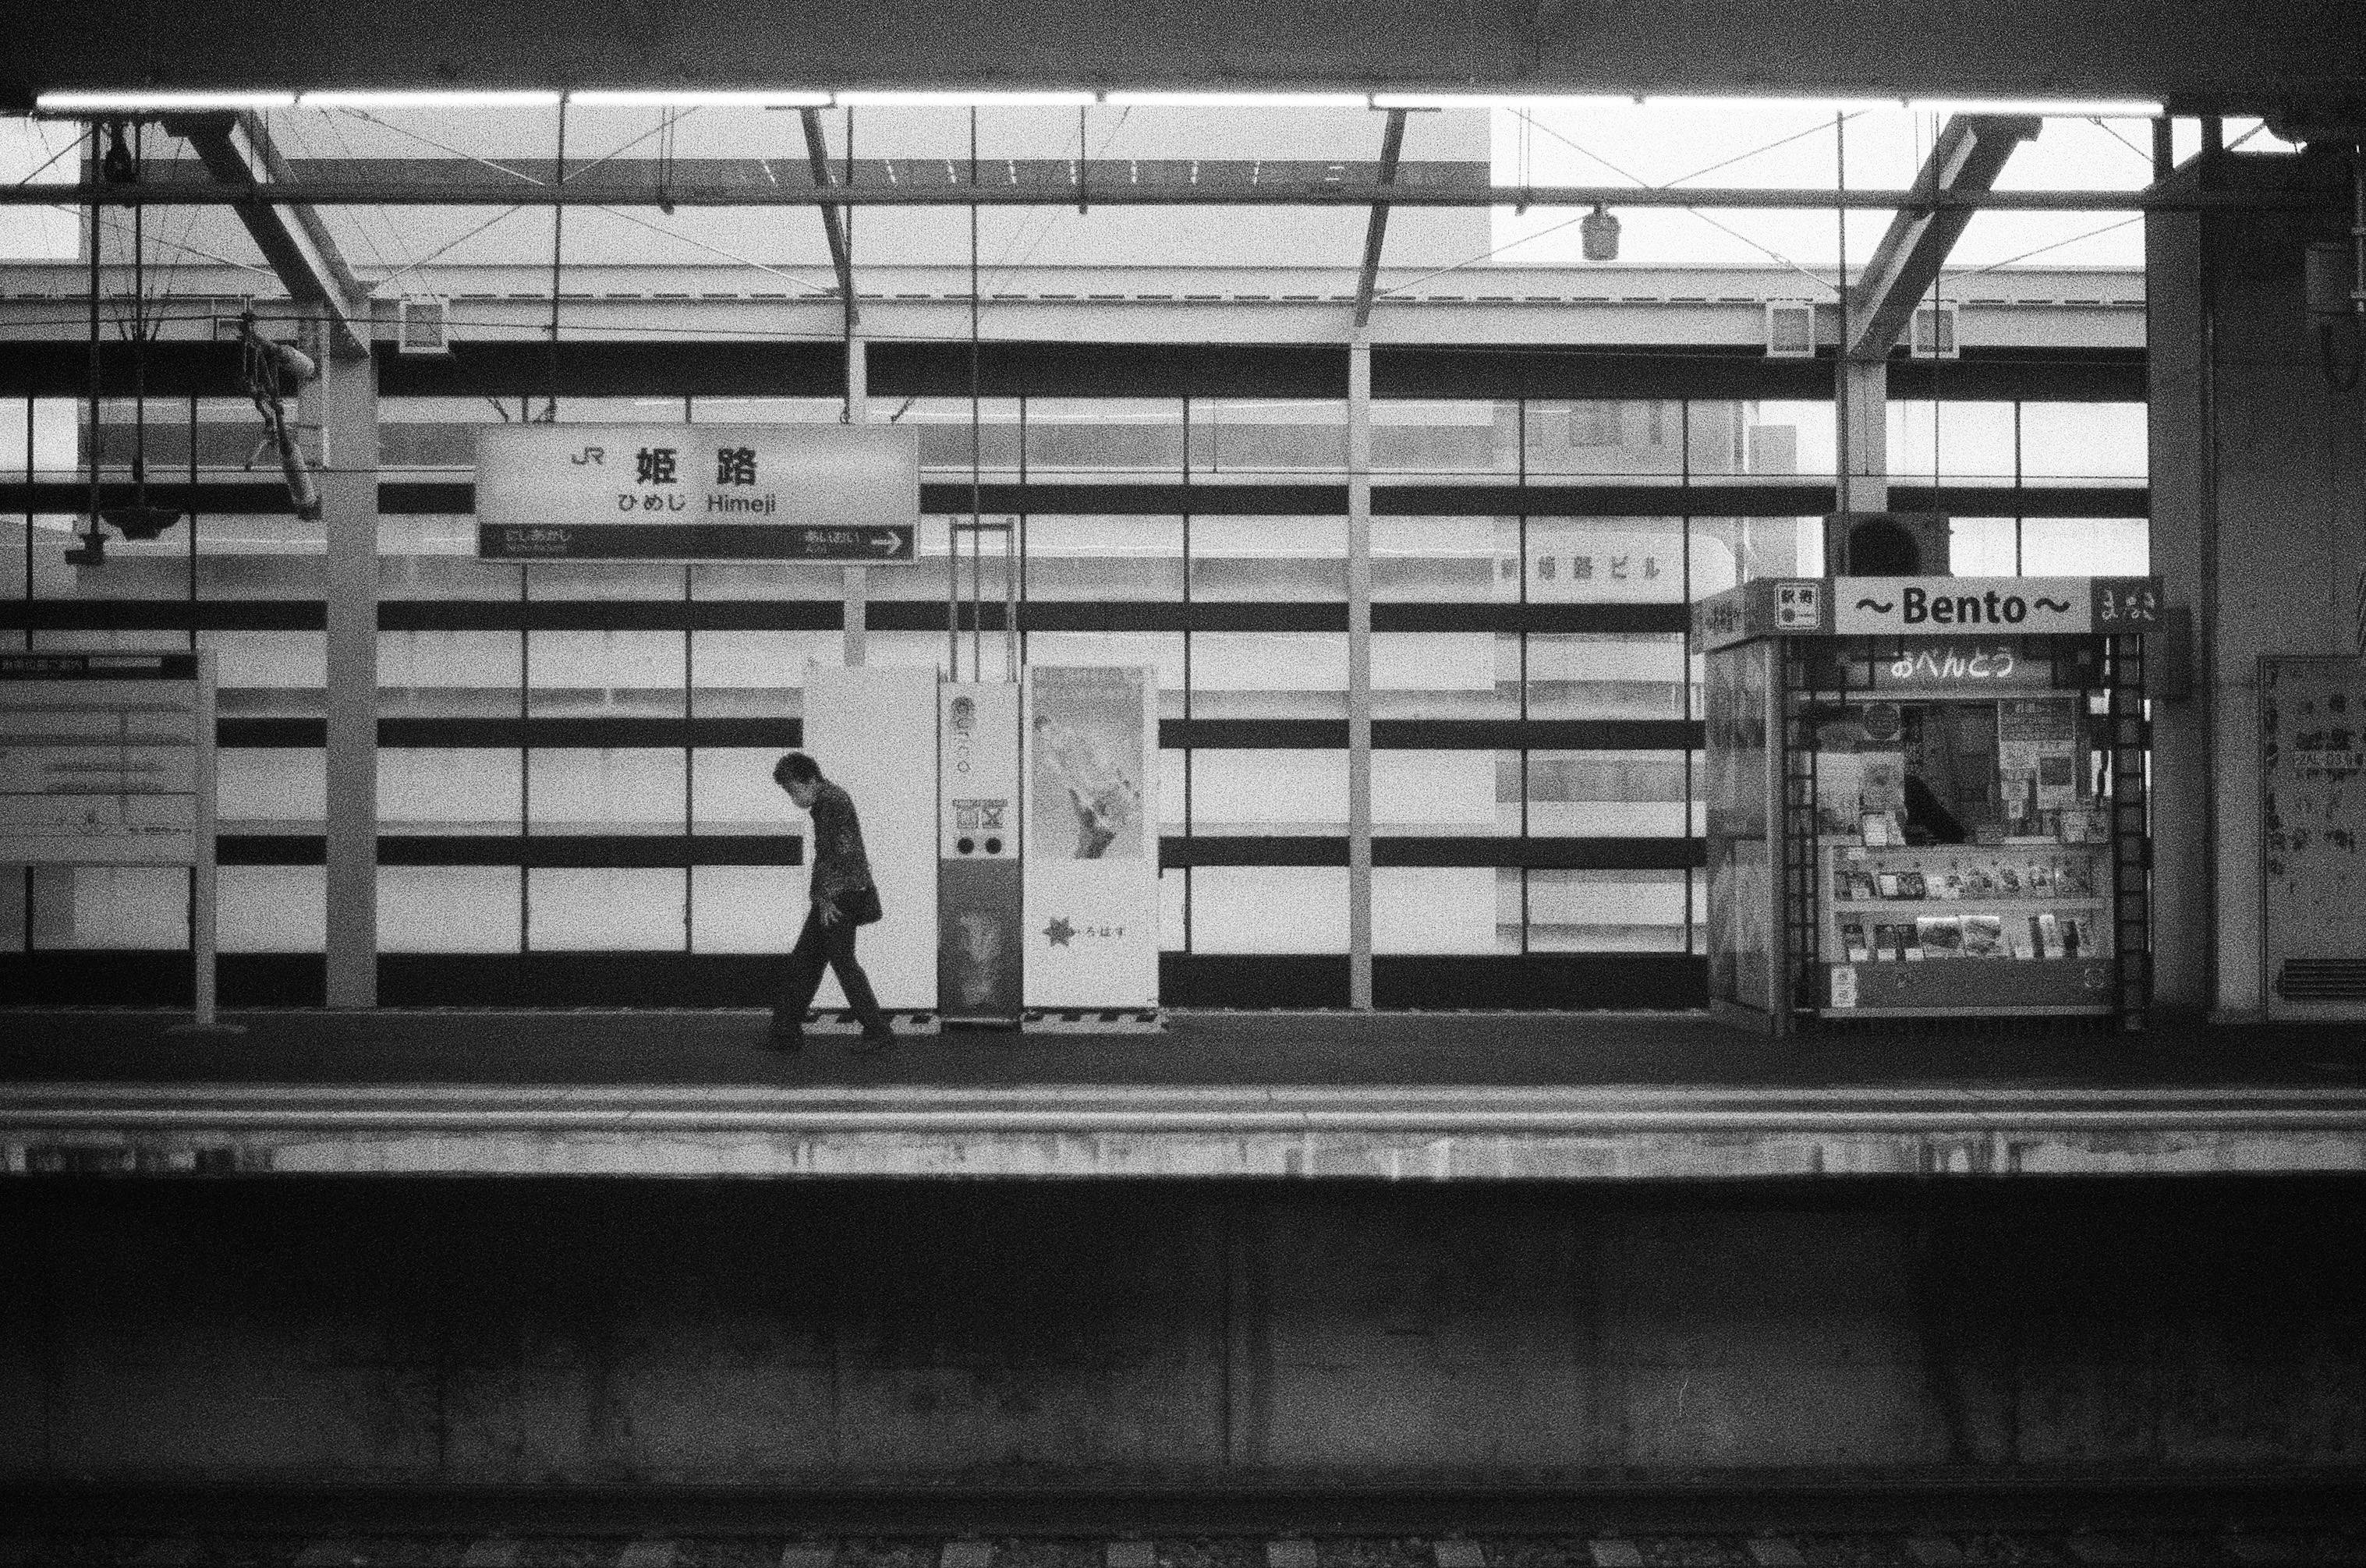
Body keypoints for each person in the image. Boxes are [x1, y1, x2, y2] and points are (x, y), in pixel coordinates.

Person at [769, 752, 894, 1053]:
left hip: (840, 894)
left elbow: (833, 853)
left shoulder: (829, 803)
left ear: (810, 780)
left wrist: (824, 897)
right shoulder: (833, 797)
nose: (793, 798)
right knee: (807, 959)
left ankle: (878, 1032)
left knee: (839, 961)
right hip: (842, 890)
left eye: (793, 790)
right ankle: (785, 1030)